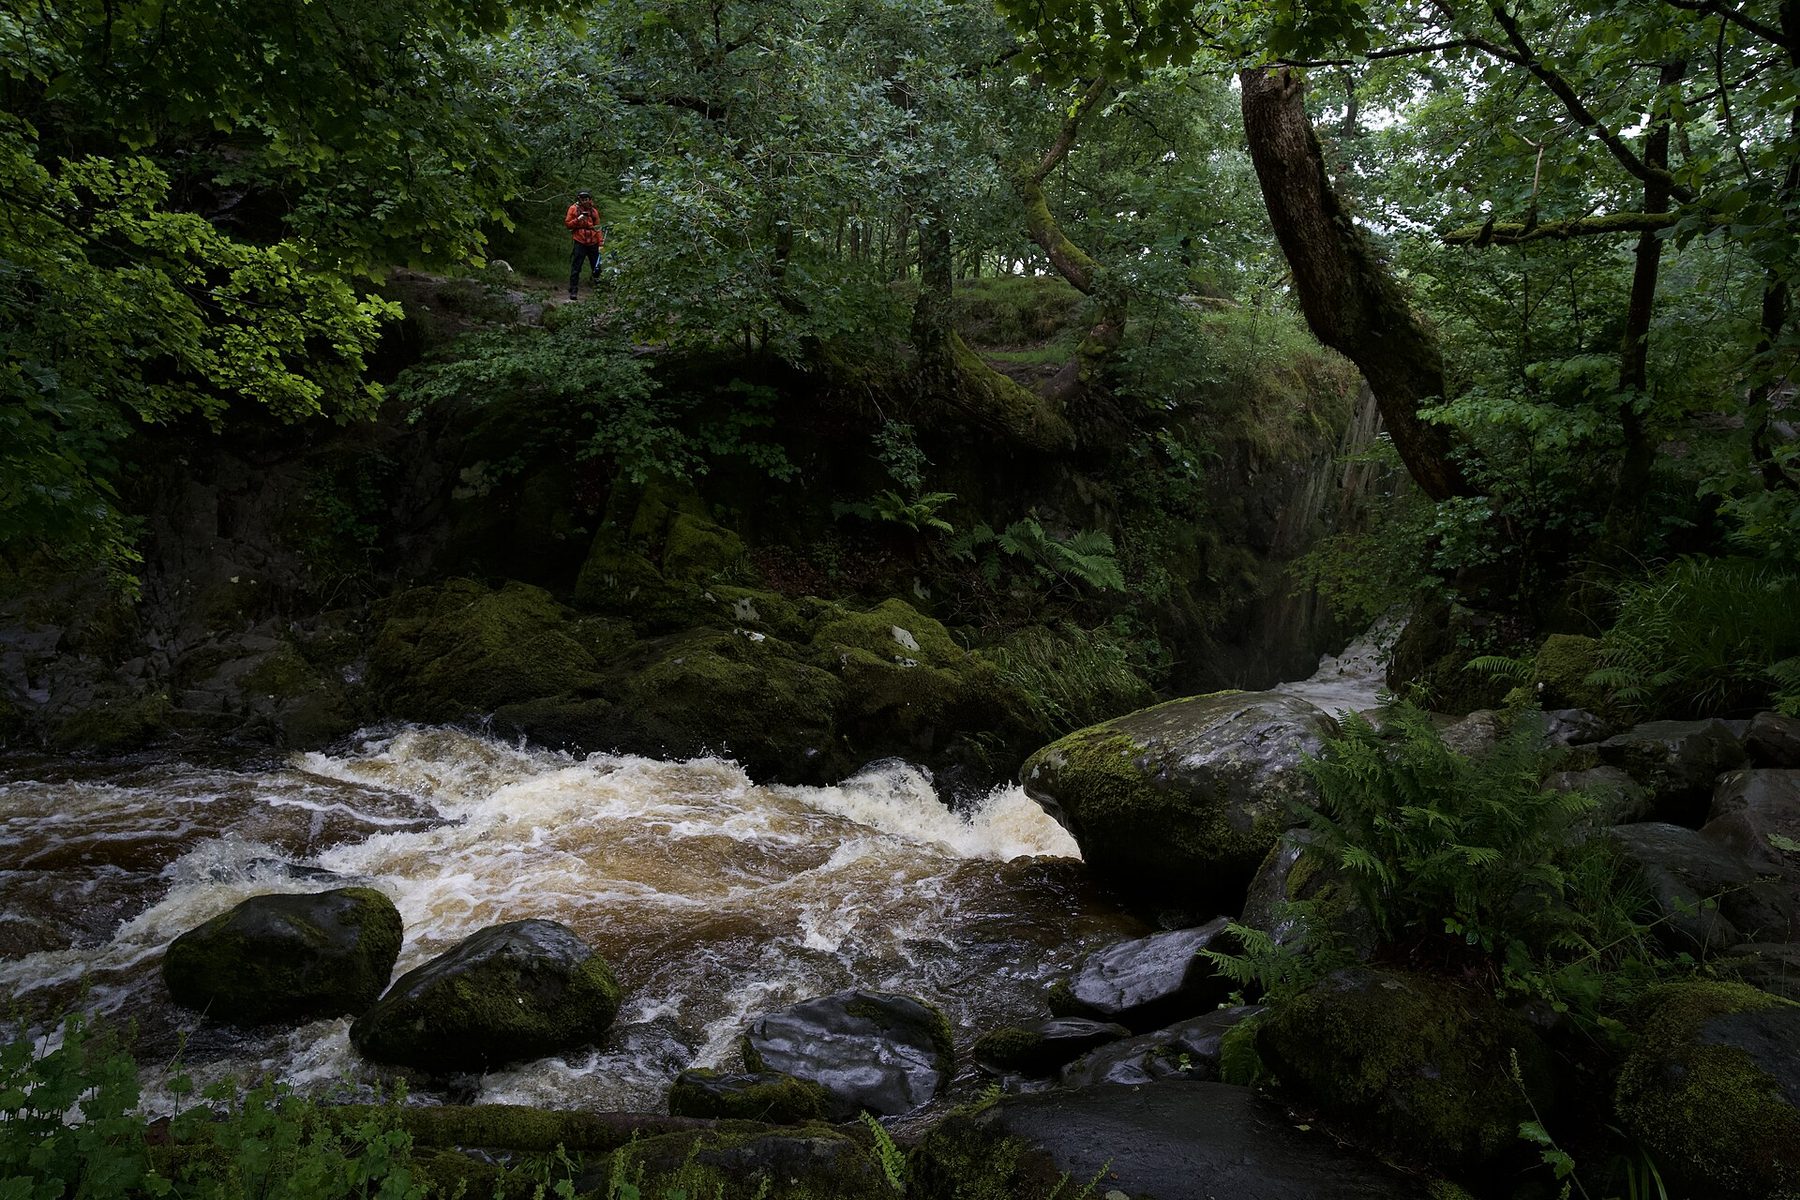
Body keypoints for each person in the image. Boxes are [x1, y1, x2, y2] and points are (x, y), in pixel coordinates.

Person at [565, 190, 604, 299]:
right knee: (576, 266)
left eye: (586, 199)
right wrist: (579, 219)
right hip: (580, 240)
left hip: (593, 241)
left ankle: (599, 290)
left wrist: (600, 243)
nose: (585, 201)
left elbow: (598, 227)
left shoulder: (594, 211)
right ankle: (573, 290)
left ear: (589, 199)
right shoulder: (573, 209)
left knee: (596, 266)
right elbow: (568, 224)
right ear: (579, 199)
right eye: (582, 199)